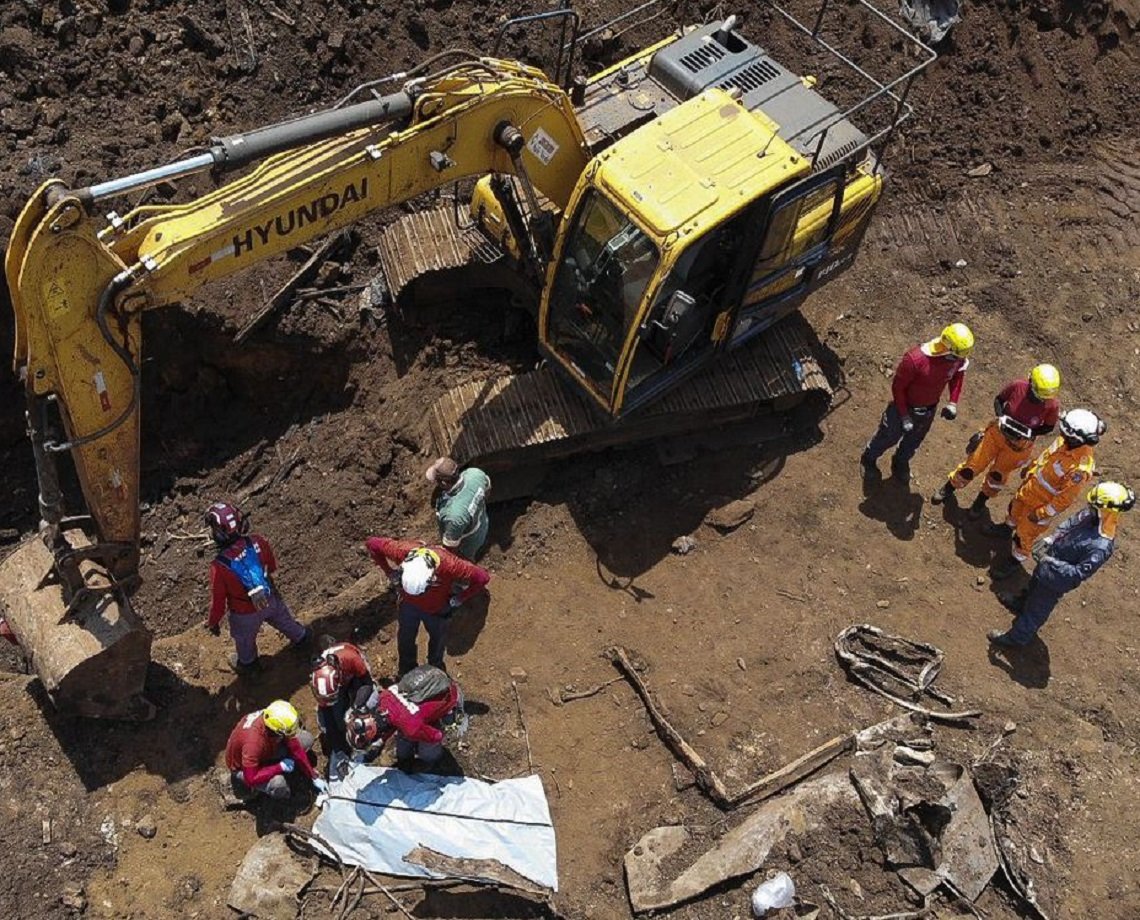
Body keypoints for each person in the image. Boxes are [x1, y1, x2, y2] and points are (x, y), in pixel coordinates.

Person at [989, 482, 1134, 647]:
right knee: (1034, 585)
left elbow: (1078, 574)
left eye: (1093, 506)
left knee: (1038, 607)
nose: (1089, 507)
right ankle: (1021, 604)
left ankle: (1017, 638)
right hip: (1048, 561)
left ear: (1107, 511)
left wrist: (1050, 562)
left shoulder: (1100, 547)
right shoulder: (1092, 515)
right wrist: (1051, 539)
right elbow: (1071, 522)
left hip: (1057, 580)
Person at [931, 364, 1061, 517]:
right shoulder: (1018, 386)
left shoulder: (1052, 405)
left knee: (997, 477)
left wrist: (1030, 432)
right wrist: (1001, 417)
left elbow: (1048, 427)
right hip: (996, 435)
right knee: (972, 466)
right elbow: (999, 400)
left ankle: (980, 502)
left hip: (1019, 446)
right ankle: (949, 487)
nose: (1039, 399)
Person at [990, 408, 1103, 578]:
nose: (1062, 435)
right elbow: (1046, 456)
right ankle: (1006, 529)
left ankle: (1015, 560)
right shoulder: (1065, 441)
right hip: (1030, 489)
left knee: (1024, 535)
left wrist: (1041, 514)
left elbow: (1064, 500)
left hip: (1040, 506)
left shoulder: (1080, 469)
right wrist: (1031, 468)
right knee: (1014, 509)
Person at [203, 501, 311, 673]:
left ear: (218, 533)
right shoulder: (258, 541)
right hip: (270, 599)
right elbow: (271, 566)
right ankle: (302, 638)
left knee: (244, 640)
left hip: (244, 614)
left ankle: (249, 664)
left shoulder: (219, 566)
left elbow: (218, 603)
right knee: (285, 621)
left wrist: (213, 623)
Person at [861, 323, 974, 483]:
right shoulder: (915, 360)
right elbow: (898, 388)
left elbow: (957, 375)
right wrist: (904, 415)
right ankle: (869, 458)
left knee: (914, 440)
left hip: (927, 410)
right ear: (947, 347)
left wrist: (952, 402)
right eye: (957, 356)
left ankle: (900, 461)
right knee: (888, 436)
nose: (960, 360)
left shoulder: (956, 359)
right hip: (902, 409)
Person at [366, 537, 490, 676]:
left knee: (437, 640)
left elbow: (482, 577)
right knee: (406, 637)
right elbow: (372, 544)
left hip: (435, 610)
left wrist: (461, 598)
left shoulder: (449, 564)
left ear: (432, 578)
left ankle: (435, 668)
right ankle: (407, 668)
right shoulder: (403, 551)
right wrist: (388, 571)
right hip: (409, 606)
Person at [346, 665, 463, 768]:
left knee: (426, 751)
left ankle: (431, 762)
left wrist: (425, 731)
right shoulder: (385, 697)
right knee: (404, 743)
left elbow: (436, 736)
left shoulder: (411, 728)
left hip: (450, 696)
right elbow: (394, 717)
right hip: (432, 682)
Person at [225, 700, 328, 800]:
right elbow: (251, 778)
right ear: (276, 732)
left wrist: (312, 775)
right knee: (278, 784)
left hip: (266, 749)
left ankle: (274, 764)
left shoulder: (273, 719)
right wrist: (279, 767)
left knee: (306, 740)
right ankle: (285, 798)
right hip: (245, 768)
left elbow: (295, 746)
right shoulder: (253, 744)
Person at [310, 641, 376, 758]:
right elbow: (327, 714)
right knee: (334, 721)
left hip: (356, 677)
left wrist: (356, 707)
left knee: (371, 701)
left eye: (332, 697)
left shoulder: (352, 659)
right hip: (341, 683)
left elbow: (367, 684)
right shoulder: (322, 684)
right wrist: (338, 746)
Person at [426, 457, 492, 561]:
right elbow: (487, 489)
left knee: (464, 561)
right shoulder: (475, 473)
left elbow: (450, 548)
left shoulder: (453, 515)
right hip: (482, 524)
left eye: (436, 480)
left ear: (444, 483)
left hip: (467, 542)